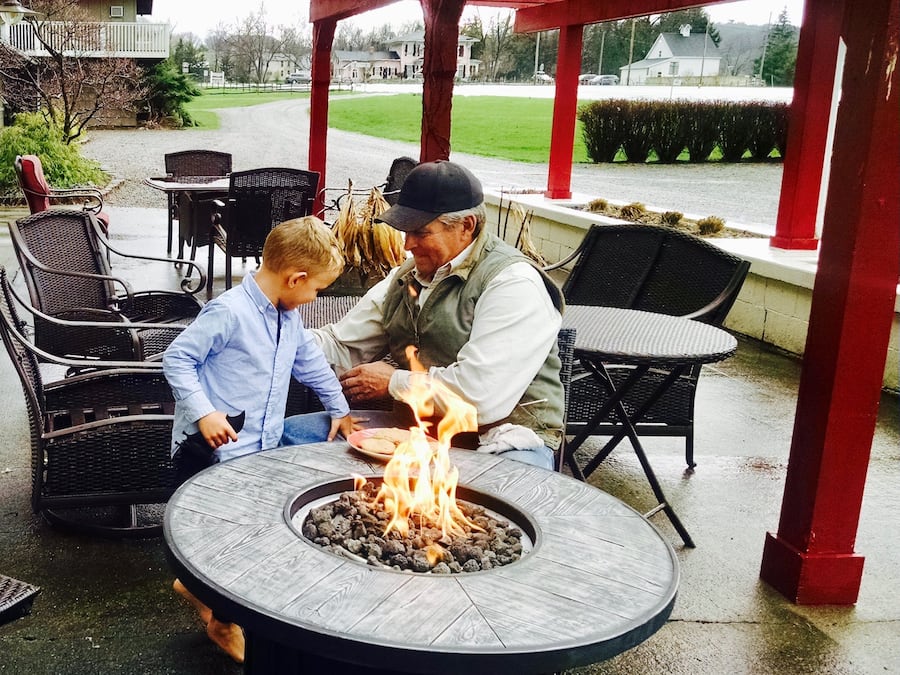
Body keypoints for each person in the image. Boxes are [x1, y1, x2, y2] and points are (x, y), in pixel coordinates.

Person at [162, 216, 356, 663]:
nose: (315, 298)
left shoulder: (289, 317)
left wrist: (341, 410)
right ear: (296, 278)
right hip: (211, 451)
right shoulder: (229, 312)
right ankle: (222, 621)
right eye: (317, 290)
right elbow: (177, 360)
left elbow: (310, 365)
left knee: (241, 534)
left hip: (256, 450)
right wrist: (205, 412)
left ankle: (197, 589)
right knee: (213, 535)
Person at [313, 160, 565, 470]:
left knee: (496, 497)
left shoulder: (512, 283)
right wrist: (273, 333)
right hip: (415, 431)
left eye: (421, 232)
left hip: (503, 439)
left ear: (466, 226)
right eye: (406, 231)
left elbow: (479, 398)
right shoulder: (405, 276)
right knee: (295, 435)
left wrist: (394, 382)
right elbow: (342, 345)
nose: (407, 245)